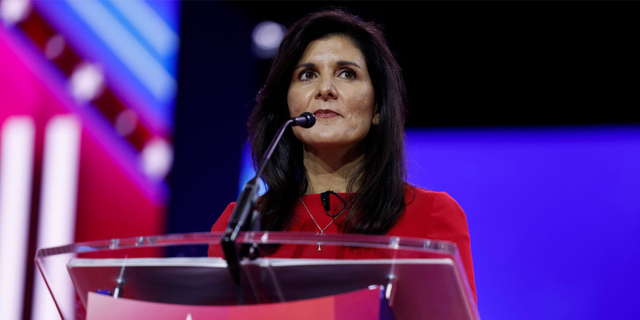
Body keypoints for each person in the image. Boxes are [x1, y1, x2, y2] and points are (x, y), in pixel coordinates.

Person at [208, 8, 476, 301]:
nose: (325, 89)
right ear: (286, 104)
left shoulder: (432, 216)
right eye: (307, 74)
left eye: (347, 73)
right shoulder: (239, 226)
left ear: (377, 108)